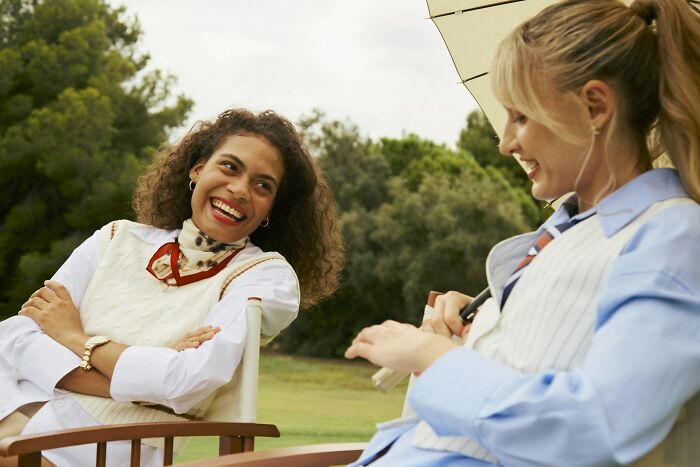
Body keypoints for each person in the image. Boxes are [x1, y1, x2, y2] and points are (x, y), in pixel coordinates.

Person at [345, 0, 700, 465]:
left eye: (522, 116)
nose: (506, 142)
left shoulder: (673, 237)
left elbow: (595, 424)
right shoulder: (566, 236)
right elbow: (542, 354)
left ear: (595, 107)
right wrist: (472, 333)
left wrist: (432, 356)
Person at [0, 108, 343, 466]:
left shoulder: (263, 276)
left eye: (263, 185)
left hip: (100, 447)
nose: (240, 189)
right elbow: (19, 337)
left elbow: (185, 383)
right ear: (197, 170)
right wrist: (138, 380)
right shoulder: (116, 237)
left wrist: (74, 337)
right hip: (15, 406)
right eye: (229, 166)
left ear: (272, 206)